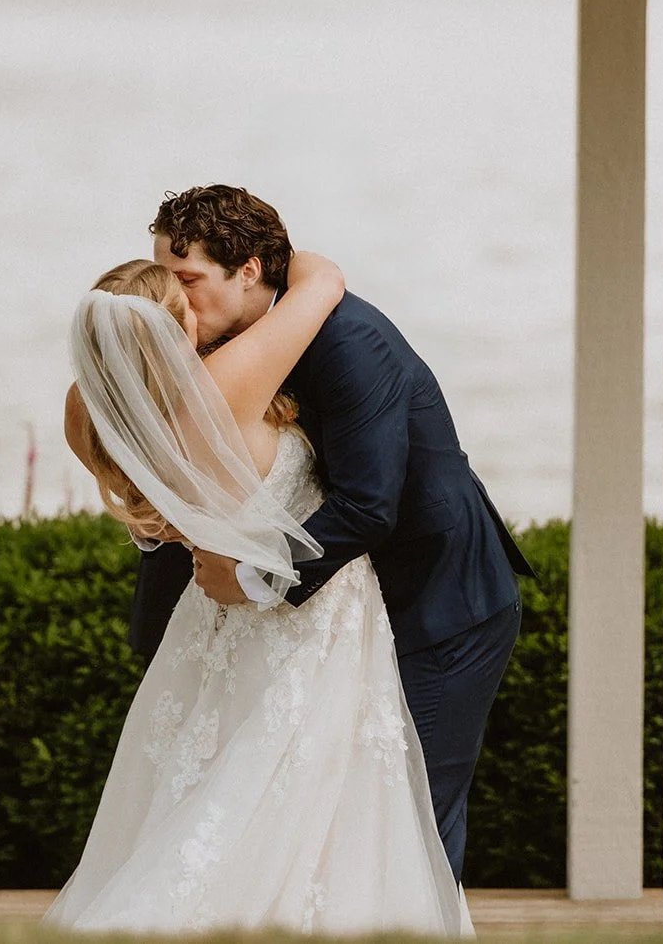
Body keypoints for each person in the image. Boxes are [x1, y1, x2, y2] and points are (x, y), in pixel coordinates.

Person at [44, 253, 467, 935]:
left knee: (217, 790)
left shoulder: (90, 414)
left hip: (212, 618)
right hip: (312, 619)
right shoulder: (221, 389)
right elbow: (322, 283)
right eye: (184, 300)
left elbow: (163, 524)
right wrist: (260, 253)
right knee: (308, 800)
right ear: (173, 329)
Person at [136, 184, 532, 882]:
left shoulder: (351, 341)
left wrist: (252, 577)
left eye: (189, 280)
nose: (176, 300)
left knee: (411, 816)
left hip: (439, 603)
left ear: (249, 270)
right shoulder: (223, 344)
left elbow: (367, 504)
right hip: (340, 612)